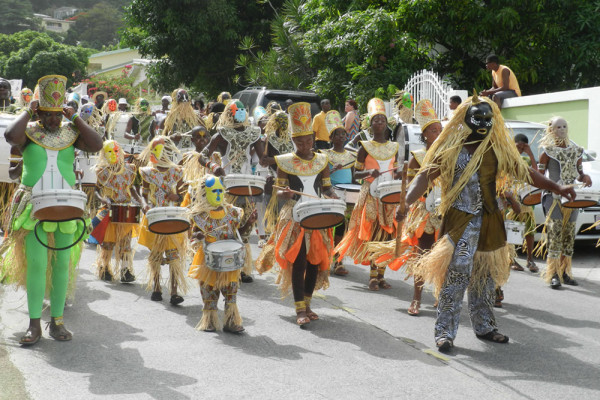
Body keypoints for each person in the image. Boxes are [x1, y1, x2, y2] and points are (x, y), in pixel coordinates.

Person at [401, 93, 575, 352]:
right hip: (460, 221)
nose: (483, 122)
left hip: (490, 221)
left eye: (488, 118)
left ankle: (484, 326)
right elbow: (424, 177)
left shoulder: (497, 150)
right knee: (457, 274)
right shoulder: (451, 148)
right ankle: (445, 332)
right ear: (466, 120)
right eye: (478, 118)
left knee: (485, 277)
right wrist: (406, 202)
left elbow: (526, 173)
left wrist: (557, 187)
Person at [1, 74, 103, 345]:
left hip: (66, 207)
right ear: (40, 111)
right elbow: (10, 135)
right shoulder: (29, 133)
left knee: (62, 265)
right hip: (33, 208)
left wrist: (77, 117)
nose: (54, 120)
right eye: (48, 114)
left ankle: (56, 321)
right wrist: (28, 110)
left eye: (58, 114)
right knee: (37, 264)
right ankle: (34, 324)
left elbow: (97, 144)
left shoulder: (72, 133)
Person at [256, 102, 338, 326]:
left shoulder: (322, 160)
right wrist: (283, 192)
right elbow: (282, 192)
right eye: (299, 141)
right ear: (293, 141)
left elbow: (327, 187)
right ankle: (299, 308)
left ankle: (309, 304)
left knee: (314, 261)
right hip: (295, 216)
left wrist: (333, 196)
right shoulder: (285, 162)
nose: (304, 145)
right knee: (300, 261)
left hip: (317, 214)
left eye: (308, 140)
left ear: (313, 138)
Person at [370, 99, 442, 315]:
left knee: (445, 256)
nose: (438, 133)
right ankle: (417, 299)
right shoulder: (417, 157)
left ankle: (441, 297)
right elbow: (410, 187)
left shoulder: (450, 155)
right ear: (425, 134)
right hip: (424, 212)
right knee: (421, 254)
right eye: (433, 130)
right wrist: (406, 205)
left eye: (440, 129)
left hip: (446, 211)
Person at [335, 98, 401, 291]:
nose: (379, 123)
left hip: (388, 194)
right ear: (370, 125)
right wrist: (368, 174)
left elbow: (394, 170)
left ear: (386, 123)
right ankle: (373, 275)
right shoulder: (364, 146)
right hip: (370, 194)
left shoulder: (394, 147)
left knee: (387, 233)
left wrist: (401, 173)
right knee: (373, 232)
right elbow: (356, 174)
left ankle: (381, 274)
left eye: (382, 120)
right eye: (375, 120)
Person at [199, 100, 263, 283]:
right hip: (226, 187)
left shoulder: (254, 134)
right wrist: (213, 165)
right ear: (230, 113)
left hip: (248, 185)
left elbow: (263, 158)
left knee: (246, 224)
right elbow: (203, 156)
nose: (241, 113)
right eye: (237, 110)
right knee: (226, 225)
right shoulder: (221, 134)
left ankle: (242, 267)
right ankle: (222, 261)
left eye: (243, 109)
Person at [188, 175, 258, 332]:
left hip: (229, 259)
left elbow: (238, 233)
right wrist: (198, 236)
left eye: (221, 190)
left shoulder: (232, 212)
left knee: (231, 290)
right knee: (209, 291)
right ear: (204, 193)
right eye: (214, 191)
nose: (218, 194)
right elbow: (193, 235)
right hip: (208, 260)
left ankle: (231, 321)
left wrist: (249, 222)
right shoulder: (200, 215)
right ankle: (210, 320)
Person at [537, 116, 591, 289]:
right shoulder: (546, 152)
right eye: (557, 126)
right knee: (554, 233)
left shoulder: (576, 151)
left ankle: (565, 271)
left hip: (571, 198)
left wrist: (585, 177)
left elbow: (580, 174)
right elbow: (539, 177)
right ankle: (553, 273)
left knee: (568, 235)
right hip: (552, 198)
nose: (561, 129)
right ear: (551, 129)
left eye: (564, 126)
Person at [138, 136, 188, 304]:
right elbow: (144, 193)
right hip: (154, 217)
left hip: (173, 218)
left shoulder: (177, 172)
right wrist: (144, 205)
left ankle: (174, 292)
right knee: (156, 256)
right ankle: (157, 288)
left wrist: (178, 196)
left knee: (174, 256)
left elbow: (184, 194)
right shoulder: (148, 172)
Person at [92, 140, 145, 283]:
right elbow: (96, 190)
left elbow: (133, 188)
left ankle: (126, 270)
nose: (113, 154)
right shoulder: (101, 172)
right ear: (103, 154)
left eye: (116, 150)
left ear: (120, 152)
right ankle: (104, 268)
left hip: (126, 209)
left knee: (125, 243)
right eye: (109, 151)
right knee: (108, 243)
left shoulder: (130, 169)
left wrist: (141, 201)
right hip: (110, 210)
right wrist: (103, 200)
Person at [320, 110, 356, 276]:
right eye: (337, 134)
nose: (341, 137)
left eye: (343, 134)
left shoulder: (351, 155)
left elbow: (355, 178)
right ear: (331, 138)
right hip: (331, 195)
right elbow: (321, 178)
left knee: (343, 229)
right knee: (329, 229)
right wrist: (332, 170)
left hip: (348, 197)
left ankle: (339, 261)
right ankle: (325, 258)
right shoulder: (324, 155)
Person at [508, 134, 539, 273]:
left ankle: (530, 259)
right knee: (514, 228)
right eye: (518, 146)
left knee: (530, 230)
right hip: (512, 198)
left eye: (523, 147)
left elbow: (536, 172)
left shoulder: (526, 159)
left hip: (526, 198)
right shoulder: (508, 158)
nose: (520, 149)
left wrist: (530, 153)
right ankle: (512, 259)